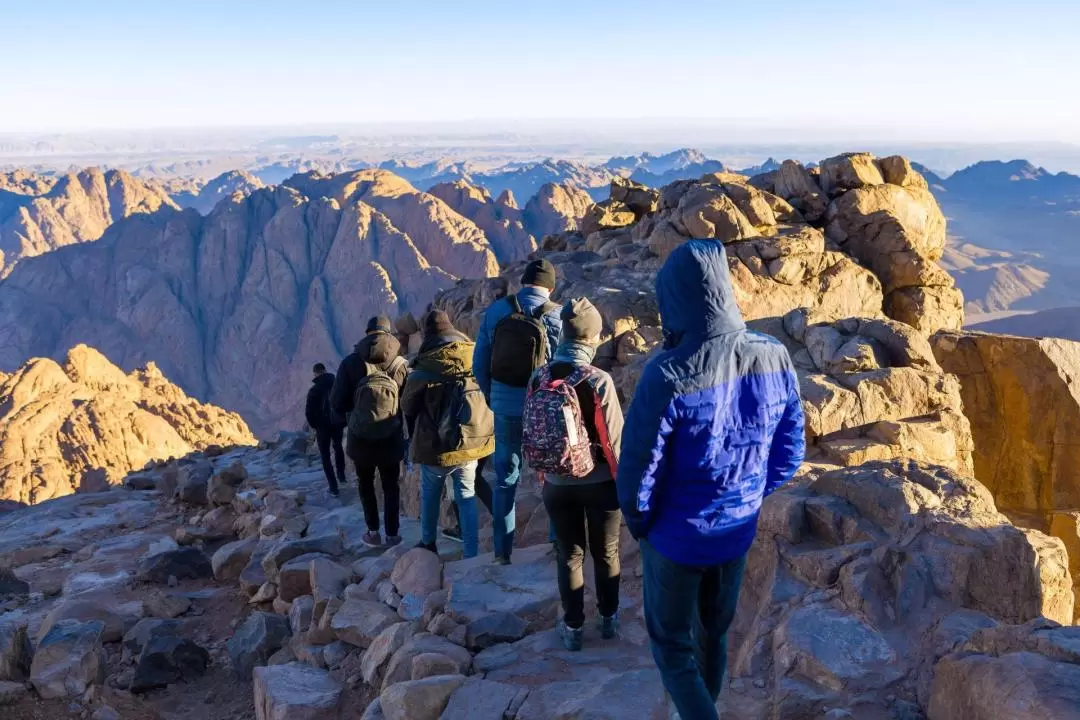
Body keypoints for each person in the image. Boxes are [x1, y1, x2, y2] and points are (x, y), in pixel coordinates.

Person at [616, 240, 805, 720]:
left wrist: (641, 523)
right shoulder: (775, 354)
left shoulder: (669, 373)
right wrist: (746, 498)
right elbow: (790, 451)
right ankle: (702, 707)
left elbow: (640, 468)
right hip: (736, 533)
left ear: (673, 300)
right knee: (714, 633)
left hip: (675, 540)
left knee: (672, 645)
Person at [523, 297, 624, 651]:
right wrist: (622, 483)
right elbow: (613, 441)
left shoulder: (539, 376)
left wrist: (545, 475)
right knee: (606, 551)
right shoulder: (598, 379)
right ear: (592, 337)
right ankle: (609, 619)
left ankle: (574, 627)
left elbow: (535, 430)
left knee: (569, 554)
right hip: (598, 484)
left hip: (556, 485)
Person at [473, 258, 562, 564]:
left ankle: (502, 552)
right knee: (551, 473)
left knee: (505, 477)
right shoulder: (557, 315)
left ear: (522, 282)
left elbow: (479, 363)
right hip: (543, 407)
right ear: (550, 287)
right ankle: (556, 542)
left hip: (504, 405)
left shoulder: (497, 311)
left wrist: (491, 396)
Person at [401, 310, 494, 558]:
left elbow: (407, 407)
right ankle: (471, 553)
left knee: (430, 495)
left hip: (436, 447)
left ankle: (428, 544)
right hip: (472, 440)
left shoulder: (422, 370)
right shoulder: (476, 356)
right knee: (466, 496)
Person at [331, 316, 410, 547]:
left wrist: (355, 414)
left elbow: (337, 403)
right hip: (391, 436)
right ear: (388, 335)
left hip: (360, 438)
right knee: (391, 485)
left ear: (366, 333)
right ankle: (393, 534)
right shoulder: (400, 364)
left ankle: (372, 532)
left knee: (365, 483)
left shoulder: (350, 363)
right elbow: (409, 402)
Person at [305, 362, 346, 497]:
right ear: (325, 371)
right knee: (338, 447)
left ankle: (333, 487)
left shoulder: (314, 391)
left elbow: (309, 413)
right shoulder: (336, 384)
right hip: (337, 423)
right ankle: (342, 476)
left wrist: (315, 426)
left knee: (325, 456)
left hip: (322, 427)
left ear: (316, 374)